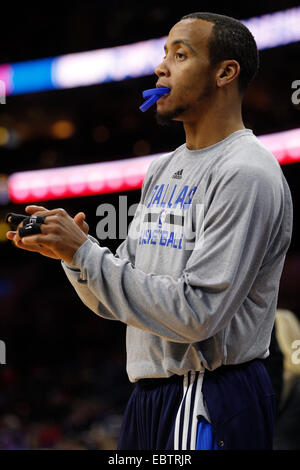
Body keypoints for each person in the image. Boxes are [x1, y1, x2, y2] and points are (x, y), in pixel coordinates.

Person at [7, 12, 293, 450]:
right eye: (164, 54)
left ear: (225, 72)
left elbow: (197, 314)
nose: (161, 68)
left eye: (180, 55)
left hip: (206, 392)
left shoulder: (246, 171)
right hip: (152, 395)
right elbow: (120, 298)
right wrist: (72, 258)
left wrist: (87, 254)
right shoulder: (163, 168)